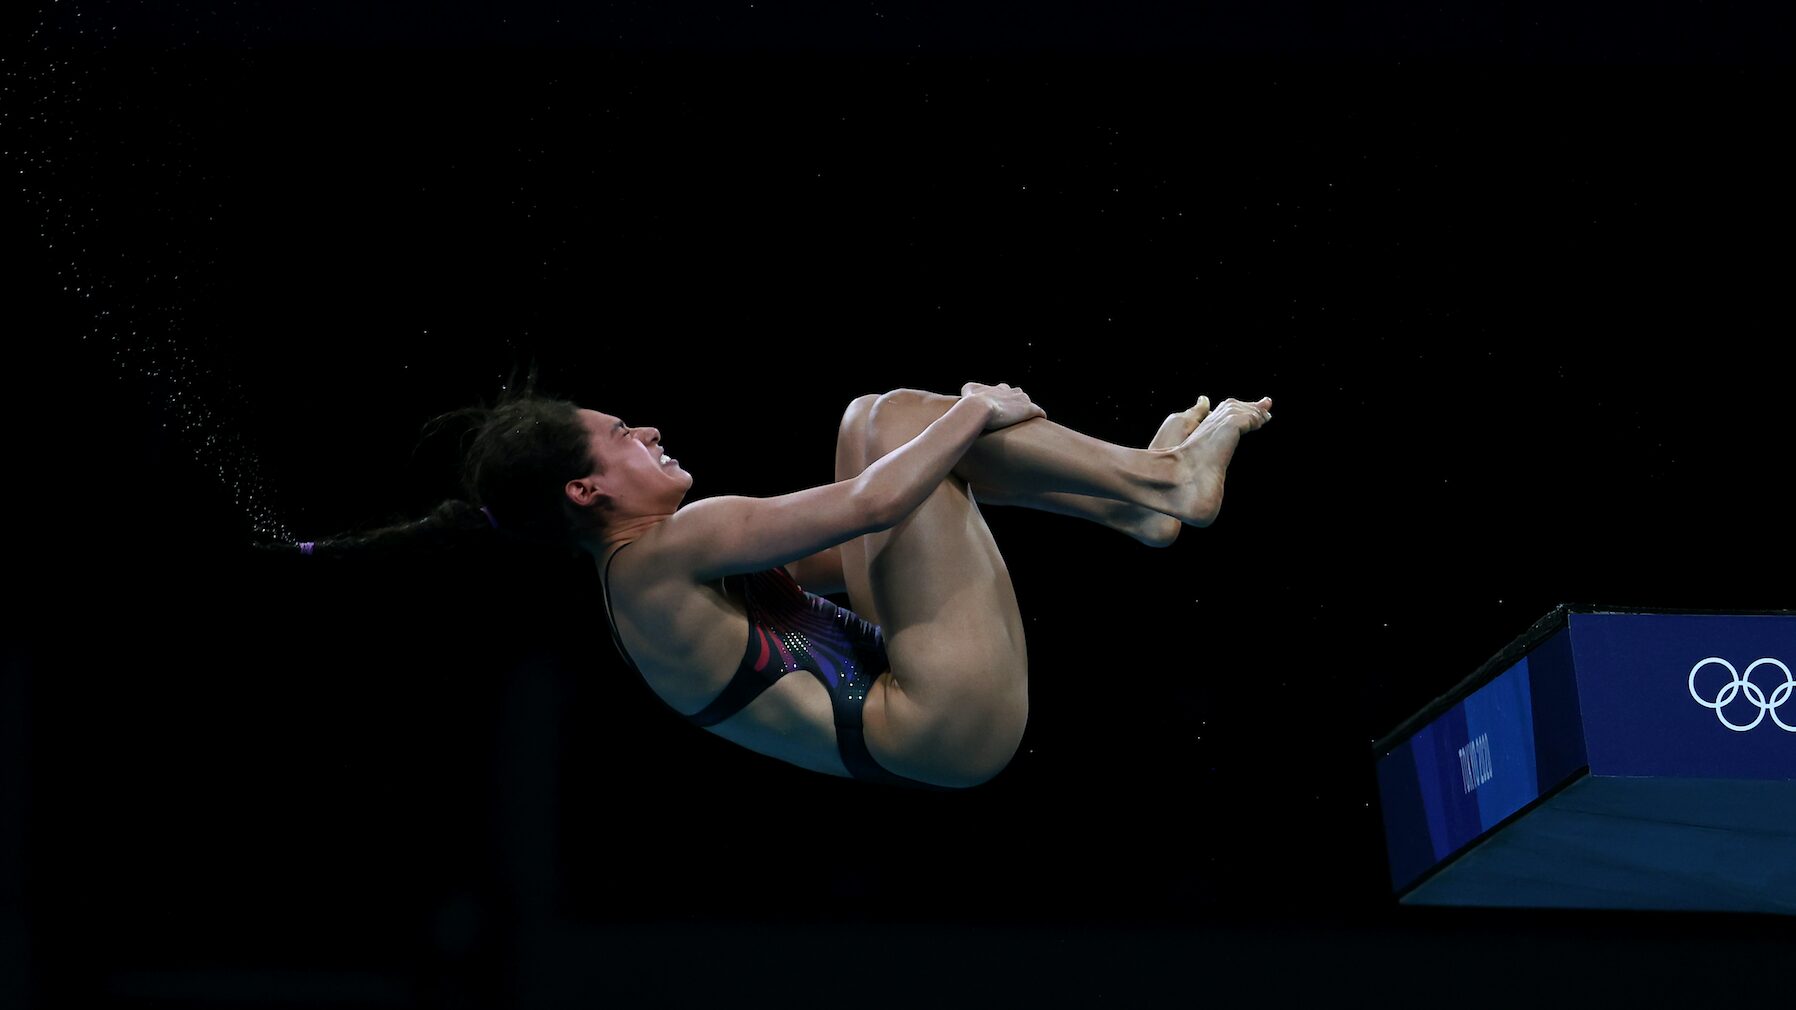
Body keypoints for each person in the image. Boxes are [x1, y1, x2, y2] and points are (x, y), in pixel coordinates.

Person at [301, 379, 1272, 790]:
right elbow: (869, 504)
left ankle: (1142, 500)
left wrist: (952, 436)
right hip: (937, 722)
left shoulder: (655, 580)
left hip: (917, 715)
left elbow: (876, 524)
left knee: (876, 423)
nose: (644, 428)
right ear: (586, 488)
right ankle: (1156, 485)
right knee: (894, 430)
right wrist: (977, 407)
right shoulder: (668, 549)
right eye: (618, 435)